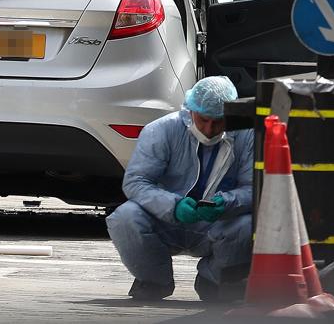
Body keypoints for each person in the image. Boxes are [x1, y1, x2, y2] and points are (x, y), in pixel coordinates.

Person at [106, 76, 253, 302]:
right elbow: (135, 181)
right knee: (125, 217)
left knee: (248, 224)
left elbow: (254, 188)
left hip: (218, 222)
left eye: (218, 121)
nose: (210, 129)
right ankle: (154, 280)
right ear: (190, 111)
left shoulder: (247, 134)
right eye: (203, 120)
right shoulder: (161, 130)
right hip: (165, 220)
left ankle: (213, 280)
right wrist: (172, 205)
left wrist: (228, 202)